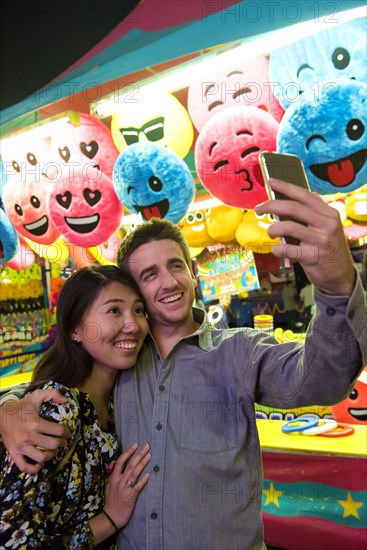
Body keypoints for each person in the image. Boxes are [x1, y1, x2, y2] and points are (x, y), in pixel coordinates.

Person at [1, 179, 366, 549]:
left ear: (191, 272)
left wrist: (336, 288)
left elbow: (321, 381)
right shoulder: (120, 361)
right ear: (134, 290)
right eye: (149, 275)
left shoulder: (239, 351)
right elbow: (59, 391)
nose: (168, 282)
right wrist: (7, 410)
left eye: (175, 265)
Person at [0, 265, 151, 548]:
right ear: (75, 330)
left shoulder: (120, 400)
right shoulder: (56, 411)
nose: (133, 325)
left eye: (139, 310)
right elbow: (13, 542)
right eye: (114, 311)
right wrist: (109, 519)